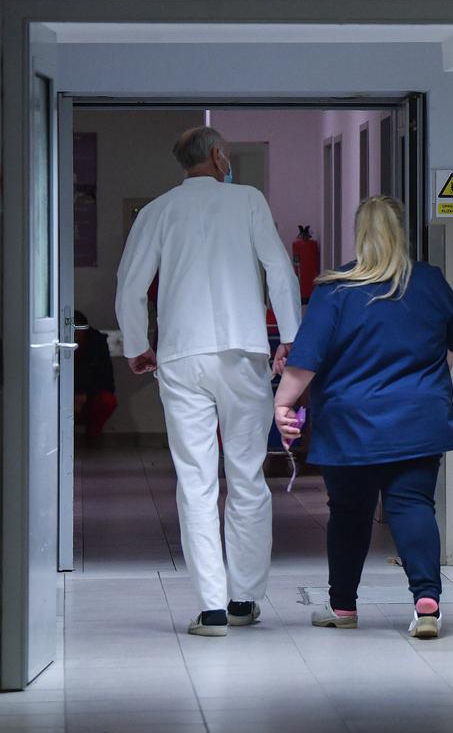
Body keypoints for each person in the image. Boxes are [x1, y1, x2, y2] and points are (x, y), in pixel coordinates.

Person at [115, 126, 302, 637]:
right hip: (244, 353)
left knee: (196, 481)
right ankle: (244, 599)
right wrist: (291, 337)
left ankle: (212, 608)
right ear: (219, 157)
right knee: (246, 477)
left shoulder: (158, 210)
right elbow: (279, 271)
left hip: (181, 357)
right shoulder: (248, 201)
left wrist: (138, 346)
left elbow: (130, 286)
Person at [274, 196, 453, 640]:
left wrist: (282, 404)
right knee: (413, 504)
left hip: (350, 424)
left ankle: (343, 606)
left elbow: (307, 360)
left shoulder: (334, 289)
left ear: (359, 233)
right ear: (403, 231)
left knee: (349, 512)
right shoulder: (430, 281)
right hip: (418, 418)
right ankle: (426, 602)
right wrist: (429, 381)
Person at [72, 310, 117, 441]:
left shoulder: (96, 344)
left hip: (89, 398)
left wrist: (86, 395)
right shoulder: (57, 345)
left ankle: (92, 437)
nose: (74, 335)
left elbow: (107, 380)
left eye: (77, 331)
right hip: (61, 398)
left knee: (107, 400)